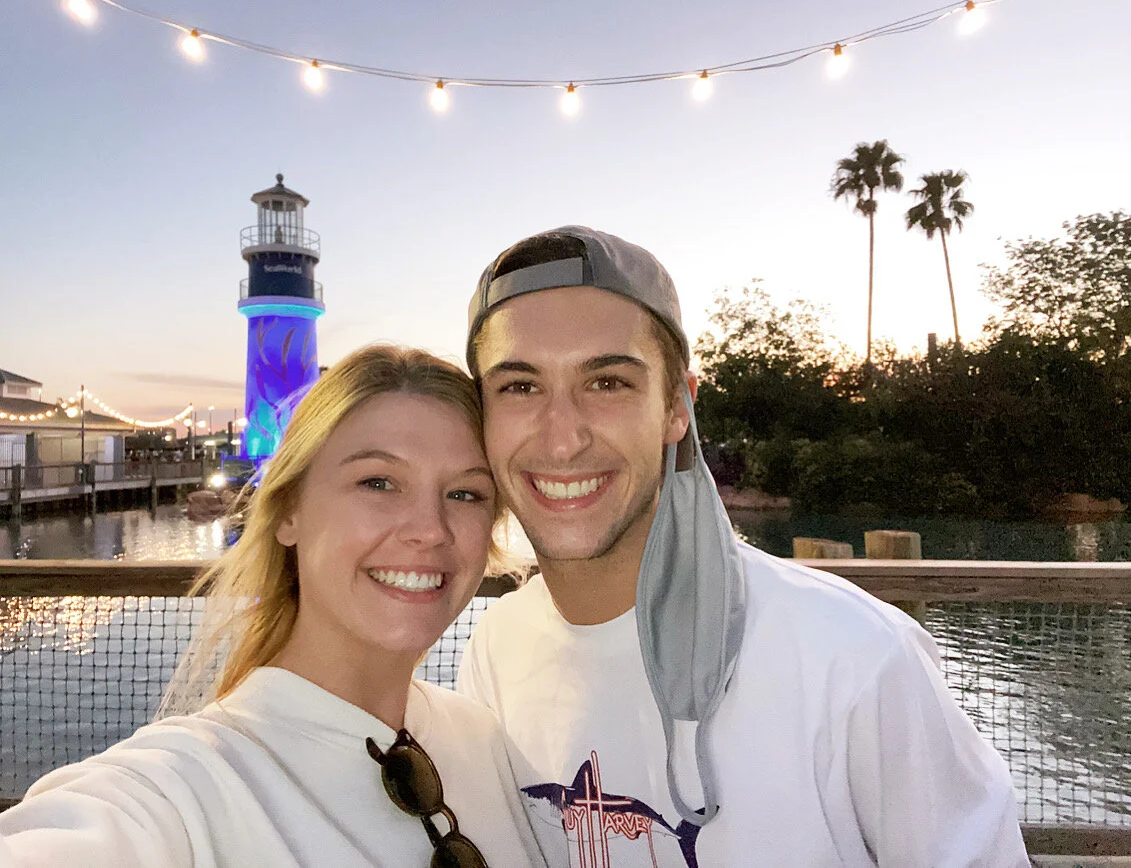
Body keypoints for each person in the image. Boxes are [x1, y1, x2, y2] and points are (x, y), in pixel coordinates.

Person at [457, 226, 1029, 866]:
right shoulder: (494, 648)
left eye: (608, 383)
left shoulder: (853, 657)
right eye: (520, 386)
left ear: (677, 408)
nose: (562, 440)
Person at [0, 345, 546, 868]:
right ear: (288, 511)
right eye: (377, 482)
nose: (429, 529)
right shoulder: (182, 793)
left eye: (466, 494)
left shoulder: (486, 740)